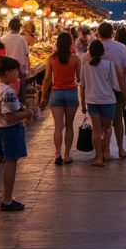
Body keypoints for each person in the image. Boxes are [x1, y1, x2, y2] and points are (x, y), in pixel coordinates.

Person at [0, 56, 35, 210]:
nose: (18, 74)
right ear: (8, 72)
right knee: (11, 161)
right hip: (9, 130)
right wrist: (28, 114)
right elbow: (10, 117)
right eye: (17, 70)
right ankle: (8, 200)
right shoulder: (8, 91)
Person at [79, 40, 126, 167]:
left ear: (90, 51)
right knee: (107, 129)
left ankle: (98, 156)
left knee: (96, 130)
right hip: (108, 100)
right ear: (102, 52)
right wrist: (125, 95)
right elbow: (114, 84)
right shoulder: (109, 65)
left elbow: (82, 85)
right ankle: (106, 152)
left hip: (92, 101)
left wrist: (83, 104)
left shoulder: (85, 66)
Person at [40, 33, 80, 165]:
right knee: (69, 126)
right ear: (70, 43)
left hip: (56, 93)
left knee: (58, 126)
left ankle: (57, 154)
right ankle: (67, 155)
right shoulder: (75, 59)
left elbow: (46, 79)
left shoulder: (51, 59)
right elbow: (79, 78)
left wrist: (43, 97)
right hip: (71, 93)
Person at [95, 22, 126, 159]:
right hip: (117, 89)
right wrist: (119, 76)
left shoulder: (94, 47)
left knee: (99, 124)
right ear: (113, 33)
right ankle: (120, 149)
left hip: (98, 89)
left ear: (98, 33)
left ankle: (104, 151)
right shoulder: (121, 47)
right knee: (117, 121)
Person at [1, 18, 30, 84]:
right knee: (19, 91)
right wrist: (28, 69)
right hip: (19, 70)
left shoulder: (2, 39)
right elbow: (27, 55)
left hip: (6, 70)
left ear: (9, 27)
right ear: (19, 28)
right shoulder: (22, 39)